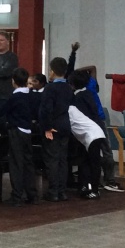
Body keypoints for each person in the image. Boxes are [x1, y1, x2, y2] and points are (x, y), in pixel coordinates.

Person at [66, 43, 124, 193]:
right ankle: (102, 181)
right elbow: (92, 68)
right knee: (103, 152)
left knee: (102, 153)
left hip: (95, 123)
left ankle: (107, 181)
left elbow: (90, 69)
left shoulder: (81, 94)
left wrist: (74, 67)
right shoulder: (91, 85)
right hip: (98, 122)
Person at [38, 57, 74, 202]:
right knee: (62, 160)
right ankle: (62, 191)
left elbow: (46, 109)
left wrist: (46, 127)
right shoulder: (68, 88)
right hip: (65, 125)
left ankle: (53, 192)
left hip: (53, 126)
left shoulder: (50, 88)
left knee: (52, 159)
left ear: (52, 71)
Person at [2, 68, 38, 206]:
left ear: (13, 81)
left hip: (16, 131)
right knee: (28, 163)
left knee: (16, 163)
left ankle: (17, 196)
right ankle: (32, 195)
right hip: (28, 131)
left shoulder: (14, 97)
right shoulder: (32, 96)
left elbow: (4, 112)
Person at [68, 105, 106, 199]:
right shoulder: (73, 108)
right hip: (94, 135)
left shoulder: (67, 111)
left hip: (92, 136)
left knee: (94, 164)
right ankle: (87, 187)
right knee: (86, 163)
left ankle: (95, 191)